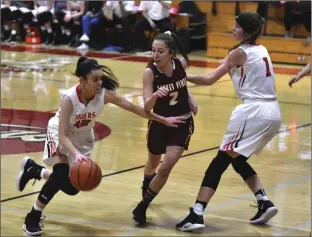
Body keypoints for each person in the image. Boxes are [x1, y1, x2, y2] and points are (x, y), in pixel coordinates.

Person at [16, 56, 186, 236]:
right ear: (82, 81)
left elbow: (134, 108)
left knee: (73, 187)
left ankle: (34, 170)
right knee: (60, 173)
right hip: (60, 133)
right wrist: (76, 154)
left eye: (100, 79)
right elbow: (63, 136)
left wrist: (162, 119)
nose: (99, 83)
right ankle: (33, 217)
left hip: (82, 138)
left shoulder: (104, 95)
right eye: (95, 79)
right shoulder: (69, 99)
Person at [176, 12, 281, 232]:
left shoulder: (237, 53)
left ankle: (196, 213)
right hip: (273, 113)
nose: (233, 28)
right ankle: (264, 201)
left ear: (245, 30)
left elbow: (209, 79)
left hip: (253, 111)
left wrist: (180, 77)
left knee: (219, 162)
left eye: (237, 26)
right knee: (237, 159)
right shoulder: (261, 49)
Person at [132, 31, 198, 225]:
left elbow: (183, 87)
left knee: (166, 167)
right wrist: (155, 96)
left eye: (160, 51)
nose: (155, 55)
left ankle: (142, 206)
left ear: (171, 53)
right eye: (153, 51)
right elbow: (146, 107)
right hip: (159, 122)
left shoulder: (181, 65)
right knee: (152, 163)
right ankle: (147, 187)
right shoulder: (149, 73)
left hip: (181, 123)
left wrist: (192, 100)